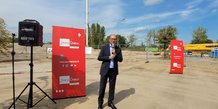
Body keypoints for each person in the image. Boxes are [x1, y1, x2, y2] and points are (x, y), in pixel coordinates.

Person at [97, 34, 123, 109]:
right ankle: (100, 104)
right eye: (112, 39)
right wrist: (109, 57)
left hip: (113, 71)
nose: (113, 40)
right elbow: (99, 57)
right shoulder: (104, 47)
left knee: (112, 88)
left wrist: (115, 55)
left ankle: (110, 102)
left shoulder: (118, 48)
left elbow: (121, 59)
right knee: (102, 88)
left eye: (115, 39)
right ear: (109, 39)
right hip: (105, 70)